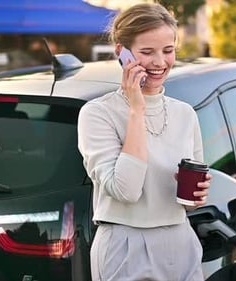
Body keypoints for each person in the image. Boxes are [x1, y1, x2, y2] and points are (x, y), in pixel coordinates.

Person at [77, 3, 211, 281]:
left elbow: (186, 202)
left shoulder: (184, 114)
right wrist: (136, 109)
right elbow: (125, 190)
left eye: (168, 50)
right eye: (147, 52)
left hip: (180, 240)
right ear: (121, 54)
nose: (160, 63)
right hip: (125, 246)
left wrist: (194, 197)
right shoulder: (97, 113)